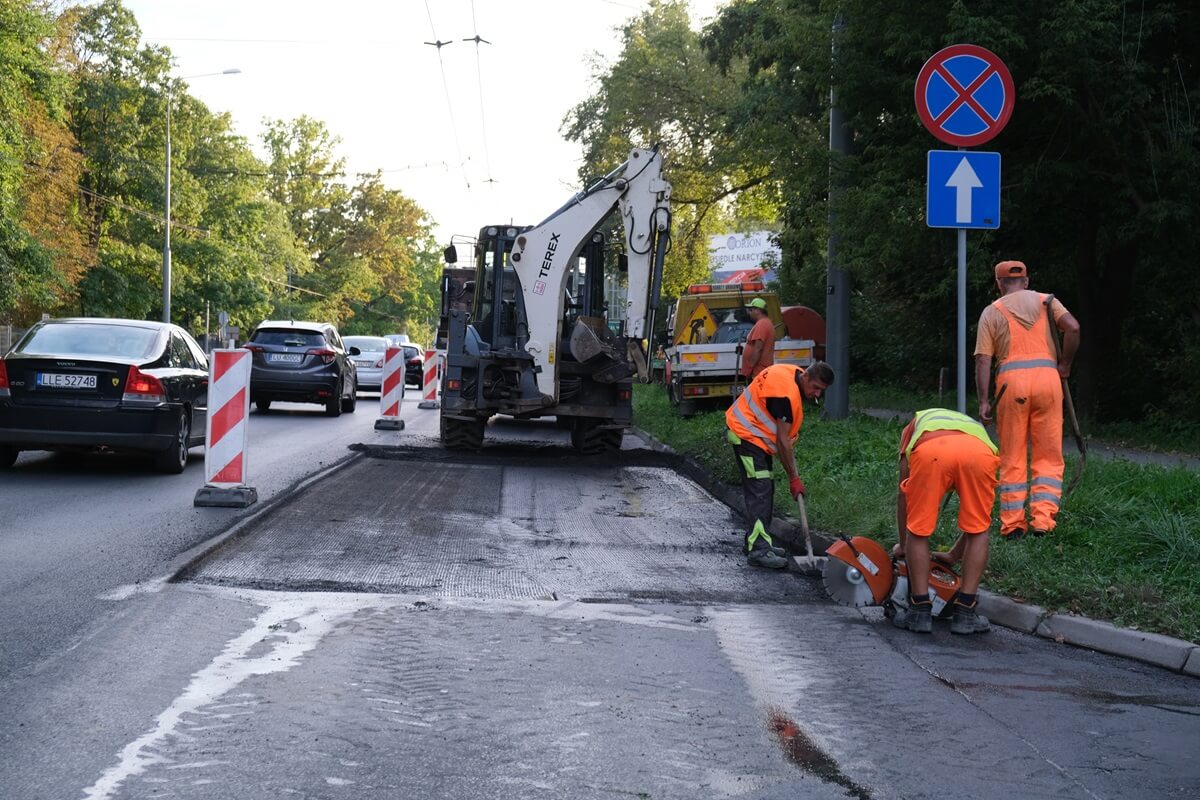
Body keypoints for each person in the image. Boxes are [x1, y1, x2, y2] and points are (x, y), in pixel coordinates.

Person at [975, 260, 1081, 539]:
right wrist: (1065, 365)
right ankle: (1043, 521)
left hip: (1011, 387)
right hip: (1048, 383)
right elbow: (1073, 328)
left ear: (999, 284)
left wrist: (984, 400)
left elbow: (984, 360)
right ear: (1027, 280)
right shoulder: (1047, 302)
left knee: (1012, 455)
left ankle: (1012, 525)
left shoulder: (991, 312)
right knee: (1048, 453)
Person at [893, 408, 1000, 635]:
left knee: (919, 529)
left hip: (933, 452)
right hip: (979, 454)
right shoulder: (971, 425)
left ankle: (919, 611)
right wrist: (953, 555)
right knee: (979, 528)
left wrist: (904, 546)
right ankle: (965, 614)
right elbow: (977, 527)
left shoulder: (913, 425)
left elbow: (903, 497)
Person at [725, 361, 835, 569]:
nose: (817, 394)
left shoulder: (793, 374)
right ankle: (759, 549)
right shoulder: (785, 395)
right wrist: (794, 478)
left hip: (754, 438)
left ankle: (756, 541)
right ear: (806, 378)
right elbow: (782, 441)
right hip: (746, 436)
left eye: (822, 391)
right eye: (816, 388)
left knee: (764, 488)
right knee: (760, 491)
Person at [739, 298, 776, 380]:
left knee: (757, 393)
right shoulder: (765, 323)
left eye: (751, 310)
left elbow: (758, 348)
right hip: (761, 371)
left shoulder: (762, 324)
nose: (749, 313)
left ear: (758, 310)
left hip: (758, 372)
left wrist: (750, 367)